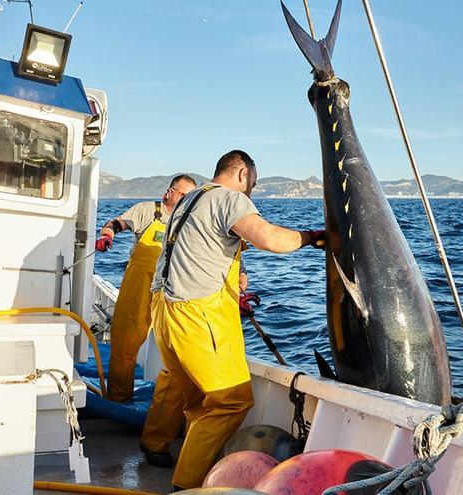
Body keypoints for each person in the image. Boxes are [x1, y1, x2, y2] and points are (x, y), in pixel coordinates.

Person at [140, 150, 325, 490]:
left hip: (164, 312)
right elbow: (268, 237)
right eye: (252, 184)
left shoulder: (191, 198)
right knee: (231, 401)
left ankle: (154, 445)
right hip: (197, 315)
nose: (251, 192)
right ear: (241, 173)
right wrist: (311, 237)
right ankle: (186, 486)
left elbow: (200, 248)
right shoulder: (229, 199)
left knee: (196, 398)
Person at [95, 174, 197, 403]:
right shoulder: (148, 211)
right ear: (170, 193)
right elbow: (116, 223)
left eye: (191, 198)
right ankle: (118, 398)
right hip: (139, 289)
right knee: (125, 344)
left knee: (181, 350)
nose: (187, 201)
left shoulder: (190, 223)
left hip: (173, 292)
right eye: (183, 195)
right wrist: (107, 234)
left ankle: (175, 403)